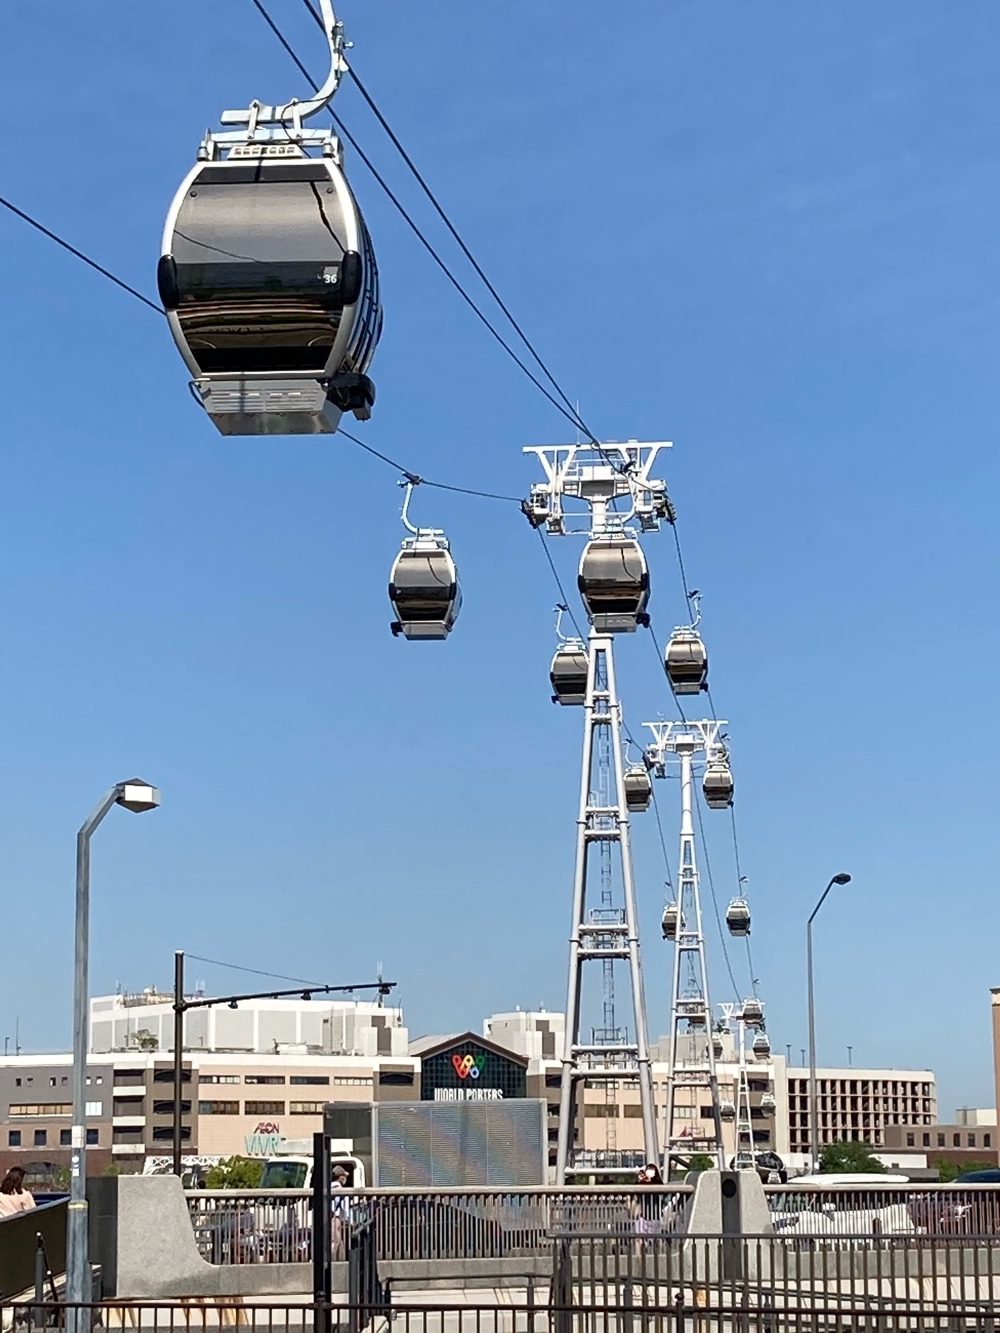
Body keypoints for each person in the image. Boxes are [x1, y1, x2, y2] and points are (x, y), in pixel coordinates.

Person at [331, 1164, 351, 1261]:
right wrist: (348, 1219)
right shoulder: (339, 1188)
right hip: (334, 1217)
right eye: (345, 1176)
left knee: (339, 1241)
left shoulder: (329, 1187)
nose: (346, 1179)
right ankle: (332, 1260)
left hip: (332, 1217)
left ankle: (340, 1260)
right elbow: (343, 1207)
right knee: (335, 1240)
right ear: (341, 1177)